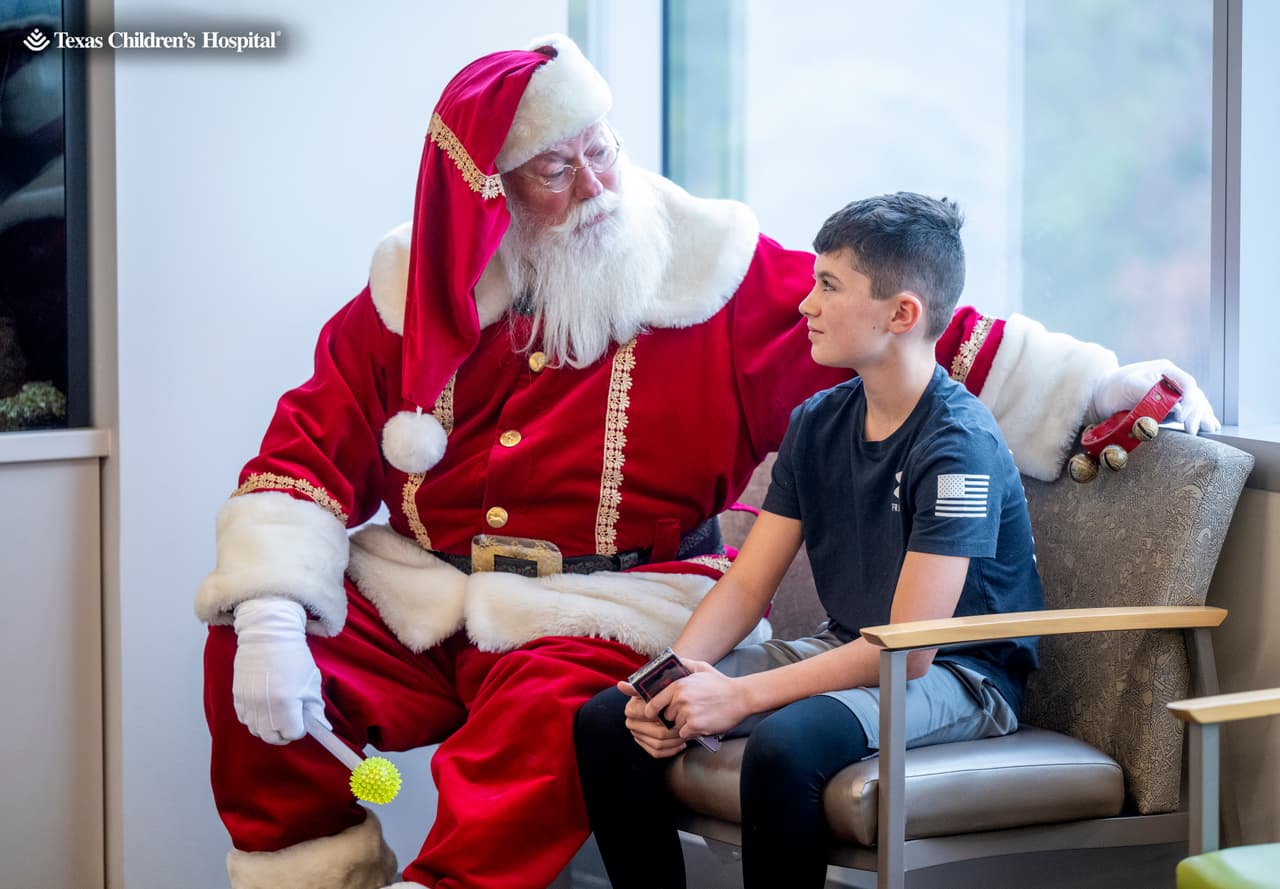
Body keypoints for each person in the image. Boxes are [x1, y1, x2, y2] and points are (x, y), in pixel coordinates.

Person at [194, 35, 1219, 889]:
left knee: (551, 724)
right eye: (556, 169)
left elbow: (911, 333)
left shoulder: (705, 271)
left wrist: (1085, 384)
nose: (597, 185)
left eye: (601, 149)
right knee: (257, 654)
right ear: (489, 192)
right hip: (427, 588)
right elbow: (306, 449)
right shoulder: (405, 296)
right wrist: (275, 612)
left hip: (609, 603)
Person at [576, 192, 1041, 889]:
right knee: (612, 719)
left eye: (829, 285)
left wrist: (739, 697)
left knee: (787, 747)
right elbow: (747, 583)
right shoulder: (817, 421)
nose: (805, 304)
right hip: (848, 645)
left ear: (902, 314)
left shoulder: (959, 445)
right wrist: (671, 677)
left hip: (959, 675)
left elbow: (910, 653)